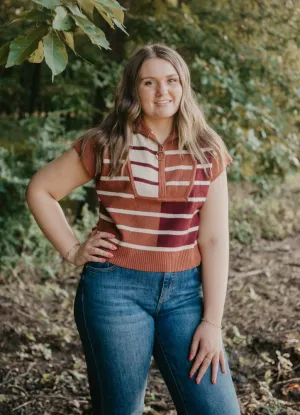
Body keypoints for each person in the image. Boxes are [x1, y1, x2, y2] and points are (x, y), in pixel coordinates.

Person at [26, 43, 241, 414]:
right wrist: (72, 249)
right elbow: (41, 190)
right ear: (133, 90)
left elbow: (214, 239)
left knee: (218, 409)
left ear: (183, 85)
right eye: (149, 83)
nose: (163, 92)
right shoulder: (106, 144)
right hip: (114, 291)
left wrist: (212, 321)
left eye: (171, 80)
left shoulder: (207, 149)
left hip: (185, 296)